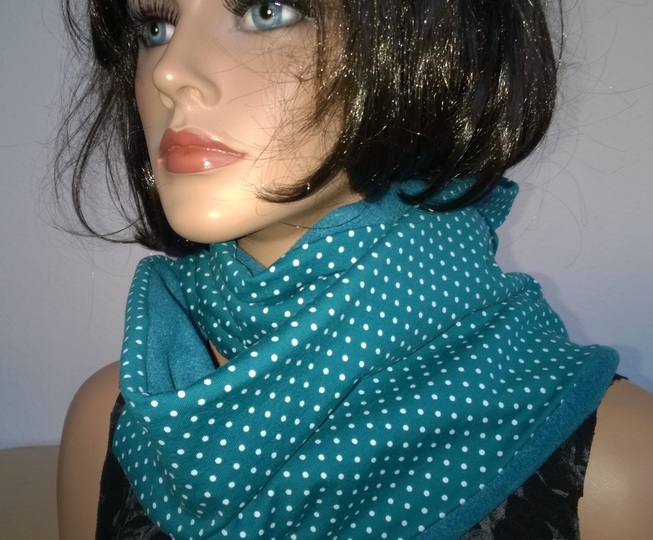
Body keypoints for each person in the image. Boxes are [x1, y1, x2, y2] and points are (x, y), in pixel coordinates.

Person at [56, 0, 653, 538]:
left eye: (268, 12)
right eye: (156, 27)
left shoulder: (616, 460)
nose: (168, 72)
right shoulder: (113, 421)